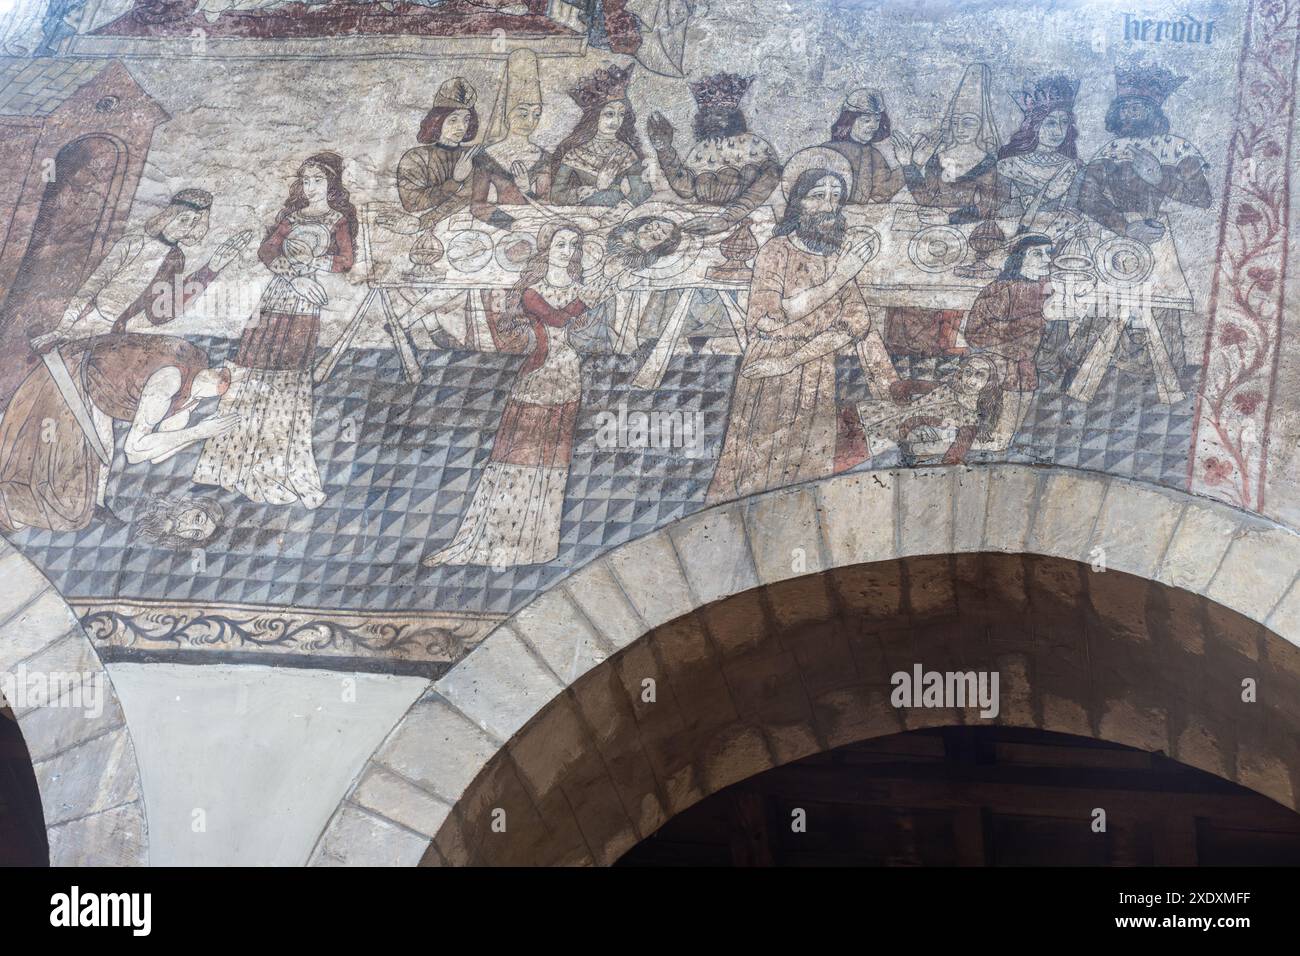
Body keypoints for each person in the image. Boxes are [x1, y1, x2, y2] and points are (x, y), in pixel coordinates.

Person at [424, 221, 618, 567]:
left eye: (574, 246)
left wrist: (595, 302)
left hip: (568, 372)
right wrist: (587, 301)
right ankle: (491, 539)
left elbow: (588, 330)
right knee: (515, 456)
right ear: (546, 249)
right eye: (561, 244)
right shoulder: (533, 290)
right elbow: (556, 319)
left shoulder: (579, 287)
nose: (568, 252)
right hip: (540, 374)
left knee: (553, 460)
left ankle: (535, 546)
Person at [706, 167, 893, 503]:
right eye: (818, 196)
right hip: (768, 367)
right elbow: (768, 319)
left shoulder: (836, 258)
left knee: (809, 467)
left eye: (836, 197)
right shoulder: (776, 251)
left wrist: (794, 360)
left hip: (815, 369)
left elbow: (857, 321)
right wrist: (836, 281)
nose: (828, 205)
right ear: (798, 204)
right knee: (757, 466)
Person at [192, 152, 356, 509]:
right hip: (280, 291)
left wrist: (314, 265)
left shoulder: (337, 219)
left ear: (331, 184)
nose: (311, 187)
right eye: (307, 180)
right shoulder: (291, 216)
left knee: (287, 369)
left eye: (318, 180)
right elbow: (267, 250)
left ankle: (277, 463)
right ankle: (229, 460)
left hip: (306, 300)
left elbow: (346, 260)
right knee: (252, 362)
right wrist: (290, 272)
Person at [0, 332, 234, 533]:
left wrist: (200, 432)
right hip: (70, 376)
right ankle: (11, 504)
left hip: (95, 392)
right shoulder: (169, 382)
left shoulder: (193, 383)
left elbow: (157, 454)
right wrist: (197, 432)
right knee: (70, 507)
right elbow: (134, 451)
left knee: (94, 475)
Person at [30, 188, 250, 348]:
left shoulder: (175, 258)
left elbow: (160, 311)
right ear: (168, 215)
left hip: (117, 333)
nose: (188, 228)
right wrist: (63, 328)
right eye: (184, 219)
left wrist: (211, 269)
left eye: (195, 223)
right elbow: (93, 285)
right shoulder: (133, 243)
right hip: (86, 320)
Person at [644, 71, 780, 236]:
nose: (717, 119)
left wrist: (726, 220)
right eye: (711, 114)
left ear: (734, 117)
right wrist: (665, 149)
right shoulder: (702, 148)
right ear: (703, 118)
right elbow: (686, 189)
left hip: (750, 223)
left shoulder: (756, 146)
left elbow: (763, 188)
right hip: (703, 219)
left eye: (723, 113)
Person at [963, 233, 1055, 451]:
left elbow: (1048, 305)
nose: (1047, 259)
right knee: (997, 439)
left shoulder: (1043, 283)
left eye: (1048, 253)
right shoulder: (1002, 290)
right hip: (1001, 367)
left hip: (1026, 367)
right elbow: (975, 333)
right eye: (1038, 254)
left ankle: (1003, 442)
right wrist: (1041, 317)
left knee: (1008, 435)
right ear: (1020, 258)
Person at [898, 62, 1004, 222]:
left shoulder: (987, 163)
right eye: (955, 122)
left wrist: (950, 218)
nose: (960, 129)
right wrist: (908, 166)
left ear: (981, 126)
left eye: (968, 123)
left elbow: (987, 206)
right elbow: (926, 199)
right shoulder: (937, 158)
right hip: (934, 227)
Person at [549, 64, 652, 214]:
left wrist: (626, 205)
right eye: (609, 114)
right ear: (595, 116)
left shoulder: (624, 151)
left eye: (621, 114)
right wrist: (581, 192)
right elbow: (556, 195)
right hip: (583, 214)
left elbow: (643, 188)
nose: (616, 121)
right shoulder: (575, 153)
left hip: (616, 212)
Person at [471, 49, 552, 229]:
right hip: (501, 228)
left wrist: (526, 189)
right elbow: (477, 206)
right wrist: (511, 225)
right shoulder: (486, 157)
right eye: (523, 114)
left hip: (536, 227)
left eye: (536, 115)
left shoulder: (543, 157)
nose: (530, 122)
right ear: (507, 115)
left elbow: (546, 205)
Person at [391, 77, 482, 231]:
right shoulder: (416, 158)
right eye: (453, 120)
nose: (462, 127)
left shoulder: (472, 156)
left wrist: (425, 221)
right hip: (420, 230)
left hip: (463, 229)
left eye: (466, 120)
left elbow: (467, 198)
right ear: (437, 122)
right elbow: (412, 204)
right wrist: (455, 181)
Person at [996, 75, 1083, 233]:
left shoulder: (1074, 167)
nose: (1058, 131)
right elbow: (999, 209)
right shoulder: (1008, 165)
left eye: (1064, 122)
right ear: (1034, 125)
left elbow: (1073, 212)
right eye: (1050, 122)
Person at [824, 88, 904, 205]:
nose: (873, 126)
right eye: (866, 120)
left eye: (877, 120)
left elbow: (881, 194)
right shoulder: (828, 150)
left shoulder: (874, 155)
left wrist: (905, 165)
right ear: (849, 121)